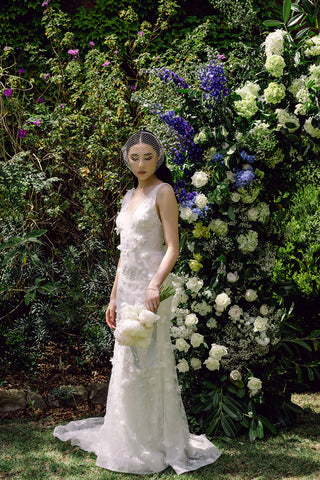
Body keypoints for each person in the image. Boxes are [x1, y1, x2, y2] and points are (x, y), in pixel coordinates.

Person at [53, 130, 221, 475]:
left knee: (151, 359)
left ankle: (156, 439)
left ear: (157, 158)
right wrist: (113, 297)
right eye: (134, 157)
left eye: (147, 157)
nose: (141, 163)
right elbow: (124, 252)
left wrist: (155, 284)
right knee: (126, 360)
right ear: (126, 160)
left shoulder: (164, 192)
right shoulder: (129, 194)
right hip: (127, 285)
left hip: (152, 286)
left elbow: (172, 247)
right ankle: (127, 436)